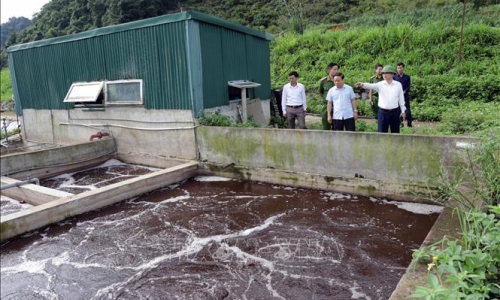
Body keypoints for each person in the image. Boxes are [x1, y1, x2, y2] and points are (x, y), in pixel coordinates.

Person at [355, 65, 406, 133]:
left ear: (392, 74)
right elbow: (371, 85)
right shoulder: (380, 84)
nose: (384, 75)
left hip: (395, 112)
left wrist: (403, 111)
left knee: (395, 132)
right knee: (381, 133)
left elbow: (401, 99)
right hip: (383, 112)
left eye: (386, 73)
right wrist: (362, 84)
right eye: (383, 73)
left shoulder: (398, 85)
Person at [318, 63, 339, 130]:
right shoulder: (324, 81)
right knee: (326, 127)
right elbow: (321, 93)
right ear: (329, 70)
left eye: (337, 69)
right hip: (327, 107)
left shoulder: (339, 80)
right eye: (334, 69)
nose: (336, 71)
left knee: (337, 127)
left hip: (337, 106)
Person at [394, 62, 412, 127]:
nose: (399, 69)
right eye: (398, 68)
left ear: (403, 68)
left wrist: (404, 91)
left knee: (407, 110)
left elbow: (408, 86)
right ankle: (400, 123)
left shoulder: (407, 77)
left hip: (405, 96)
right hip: (397, 97)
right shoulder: (394, 77)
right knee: (398, 110)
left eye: (400, 68)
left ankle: (409, 123)